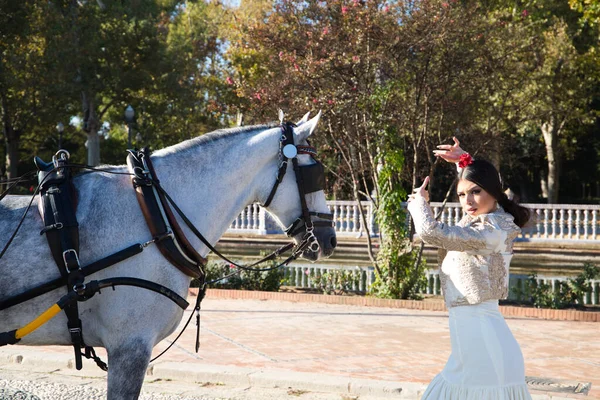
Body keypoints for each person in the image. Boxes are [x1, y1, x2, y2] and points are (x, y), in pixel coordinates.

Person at [407, 137, 532, 399]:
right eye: (462, 194)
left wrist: (418, 204)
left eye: (475, 192)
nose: (468, 201)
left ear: (493, 192)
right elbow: (475, 198)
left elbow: (431, 232)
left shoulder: (492, 231)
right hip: (476, 335)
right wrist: (465, 161)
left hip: (481, 338)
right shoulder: (484, 222)